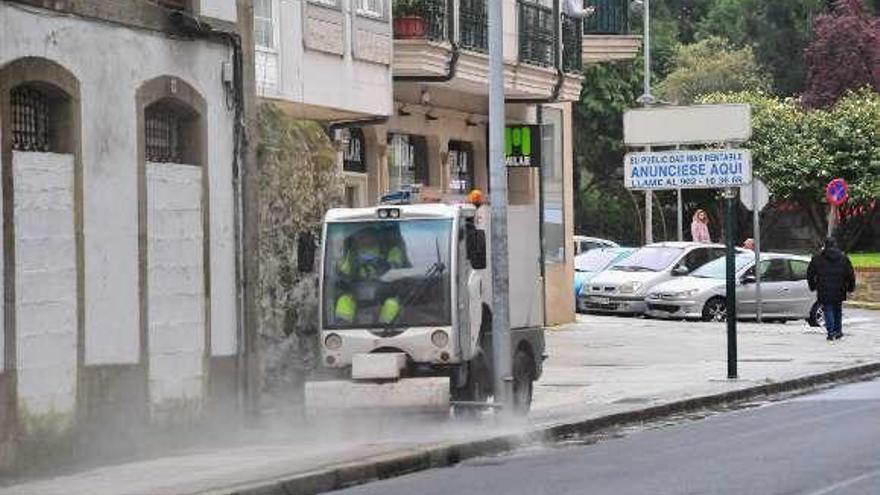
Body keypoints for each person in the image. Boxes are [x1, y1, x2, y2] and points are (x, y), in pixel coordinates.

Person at [334, 228, 407, 325]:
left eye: (366, 234)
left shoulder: (390, 249)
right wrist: (349, 265)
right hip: (357, 292)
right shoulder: (352, 253)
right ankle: (341, 329)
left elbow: (396, 266)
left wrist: (382, 265)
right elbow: (342, 272)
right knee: (344, 301)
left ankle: (385, 330)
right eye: (360, 235)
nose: (362, 238)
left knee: (392, 304)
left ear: (375, 235)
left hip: (384, 292)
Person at [807, 237, 856, 341]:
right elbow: (850, 274)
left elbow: (810, 274)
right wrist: (851, 287)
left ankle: (831, 332)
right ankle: (838, 331)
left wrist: (812, 286)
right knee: (837, 309)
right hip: (839, 288)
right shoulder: (843, 258)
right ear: (835, 245)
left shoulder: (817, 258)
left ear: (825, 245)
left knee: (827, 309)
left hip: (824, 288)